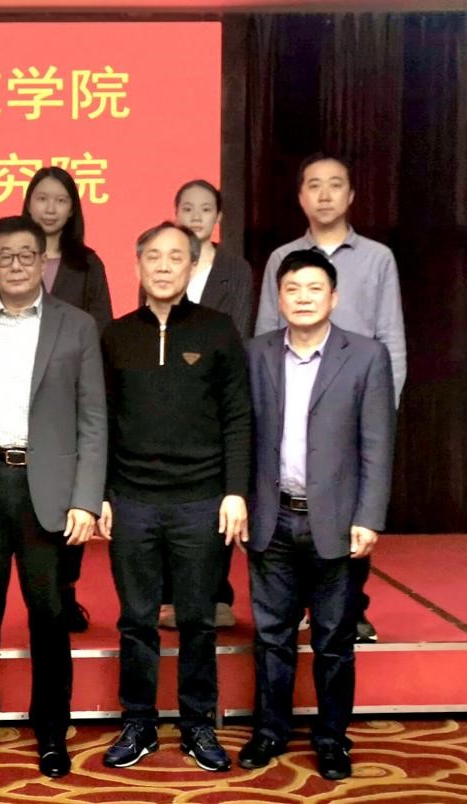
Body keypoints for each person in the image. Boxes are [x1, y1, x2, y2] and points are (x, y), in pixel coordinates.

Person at [0, 216, 106, 779]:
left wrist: (85, 498)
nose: (15, 265)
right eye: (4, 255)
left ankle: (51, 732)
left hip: (48, 491)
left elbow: (93, 419)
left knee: (49, 618)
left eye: (26, 255)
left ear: (41, 262)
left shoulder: (76, 326)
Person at [99, 222, 251, 773]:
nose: (164, 266)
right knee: (136, 619)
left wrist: (235, 492)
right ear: (138, 265)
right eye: (154, 257)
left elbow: (238, 417)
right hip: (132, 500)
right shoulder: (116, 336)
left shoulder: (218, 330)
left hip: (201, 500)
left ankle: (197, 725)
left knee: (197, 621)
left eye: (176, 257)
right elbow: (101, 421)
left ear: (192, 267)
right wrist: (102, 494)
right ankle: (138, 723)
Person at [239, 250, 395, 781]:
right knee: (271, 637)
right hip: (272, 517)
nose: (302, 298)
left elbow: (378, 444)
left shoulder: (367, 356)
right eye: (292, 289)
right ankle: (269, 732)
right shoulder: (255, 353)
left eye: (314, 288)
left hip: (339, 521)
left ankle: (332, 739)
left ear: (334, 297)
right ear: (278, 298)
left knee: (333, 640)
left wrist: (369, 516)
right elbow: (242, 436)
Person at [254, 153, 406, 645]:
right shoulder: (282, 258)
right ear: (300, 196)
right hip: (293, 398)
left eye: (335, 184)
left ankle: (348, 613)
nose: (324, 194)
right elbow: (266, 333)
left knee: (348, 521)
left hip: (354, 404)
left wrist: (379, 412)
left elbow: (391, 338)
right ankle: (300, 611)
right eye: (314, 185)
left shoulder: (377, 257)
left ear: (351, 195)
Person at [20, 165, 114, 633]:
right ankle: (43, 593)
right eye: (42, 198)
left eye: (60, 200)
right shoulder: (17, 257)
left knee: (69, 497)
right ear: (28, 203)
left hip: (71, 395)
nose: (50, 208)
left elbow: (101, 329)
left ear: (73, 208)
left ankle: (66, 590)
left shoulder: (88, 264)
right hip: (21, 396)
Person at [158, 178, 256, 631]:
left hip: (215, 395)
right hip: (166, 398)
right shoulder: (165, 259)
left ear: (218, 218)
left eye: (205, 209)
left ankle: (217, 594)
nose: (195, 217)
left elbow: (237, 332)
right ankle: (170, 595)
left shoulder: (235, 269)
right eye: (187, 208)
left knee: (214, 502)